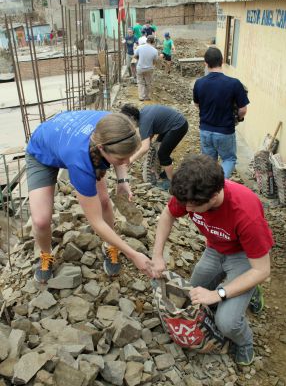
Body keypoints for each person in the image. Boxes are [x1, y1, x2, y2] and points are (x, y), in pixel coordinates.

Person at [152, 154, 273, 366]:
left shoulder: (246, 214)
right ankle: (241, 290)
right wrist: (157, 255)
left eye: (193, 207)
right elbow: (167, 215)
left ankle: (245, 341)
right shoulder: (191, 192)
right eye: (185, 204)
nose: (186, 210)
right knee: (193, 296)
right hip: (215, 249)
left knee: (226, 323)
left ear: (215, 195)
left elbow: (262, 270)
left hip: (245, 258)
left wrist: (218, 293)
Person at [26, 110, 154, 283]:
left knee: (103, 202)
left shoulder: (114, 125)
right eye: (122, 158)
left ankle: (111, 245)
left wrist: (122, 180)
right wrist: (132, 254)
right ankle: (46, 255)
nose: (127, 162)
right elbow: (96, 222)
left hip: (69, 141)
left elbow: (121, 152)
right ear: (101, 148)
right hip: (42, 152)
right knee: (41, 221)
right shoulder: (81, 162)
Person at [193, 47, 249, 178]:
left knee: (208, 163)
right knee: (229, 159)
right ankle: (219, 186)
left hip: (205, 130)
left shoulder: (199, 83)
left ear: (205, 63)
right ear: (222, 61)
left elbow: (197, 104)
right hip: (225, 131)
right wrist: (238, 118)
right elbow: (243, 110)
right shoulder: (234, 84)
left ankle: (209, 188)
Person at [121, 104, 188, 190]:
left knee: (163, 154)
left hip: (179, 126)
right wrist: (136, 151)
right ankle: (165, 173)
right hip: (172, 124)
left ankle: (171, 182)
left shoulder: (144, 123)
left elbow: (145, 147)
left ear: (132, 118)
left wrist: (130, 160)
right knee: (158, 147)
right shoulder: (143, 113)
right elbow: (149, 135)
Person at [134, 35, 158, 101]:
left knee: (140, 82)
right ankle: (147, 97)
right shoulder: (155, 50)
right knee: (148, 82)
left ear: (146, 40)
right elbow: (155, 61)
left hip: (140, 68)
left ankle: (141, 97)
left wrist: (139, 59)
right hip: (149, 68)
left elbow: (135, 56)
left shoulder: (140, 47)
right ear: (153, 42)